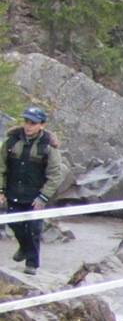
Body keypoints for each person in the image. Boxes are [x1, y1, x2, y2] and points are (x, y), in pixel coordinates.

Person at [3, 106, 70, 276]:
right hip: (13, 192)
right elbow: (1, 167)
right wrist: (1, 190)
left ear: (42, 124)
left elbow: (55, 174)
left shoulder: (48, 146)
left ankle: (32, 264)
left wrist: (43, 196)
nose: (28, 126)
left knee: (34, 229)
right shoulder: (11, 141)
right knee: (14, 223)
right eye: (26, 121)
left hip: (36, 195)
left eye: (33, 123)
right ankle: (24, 248)